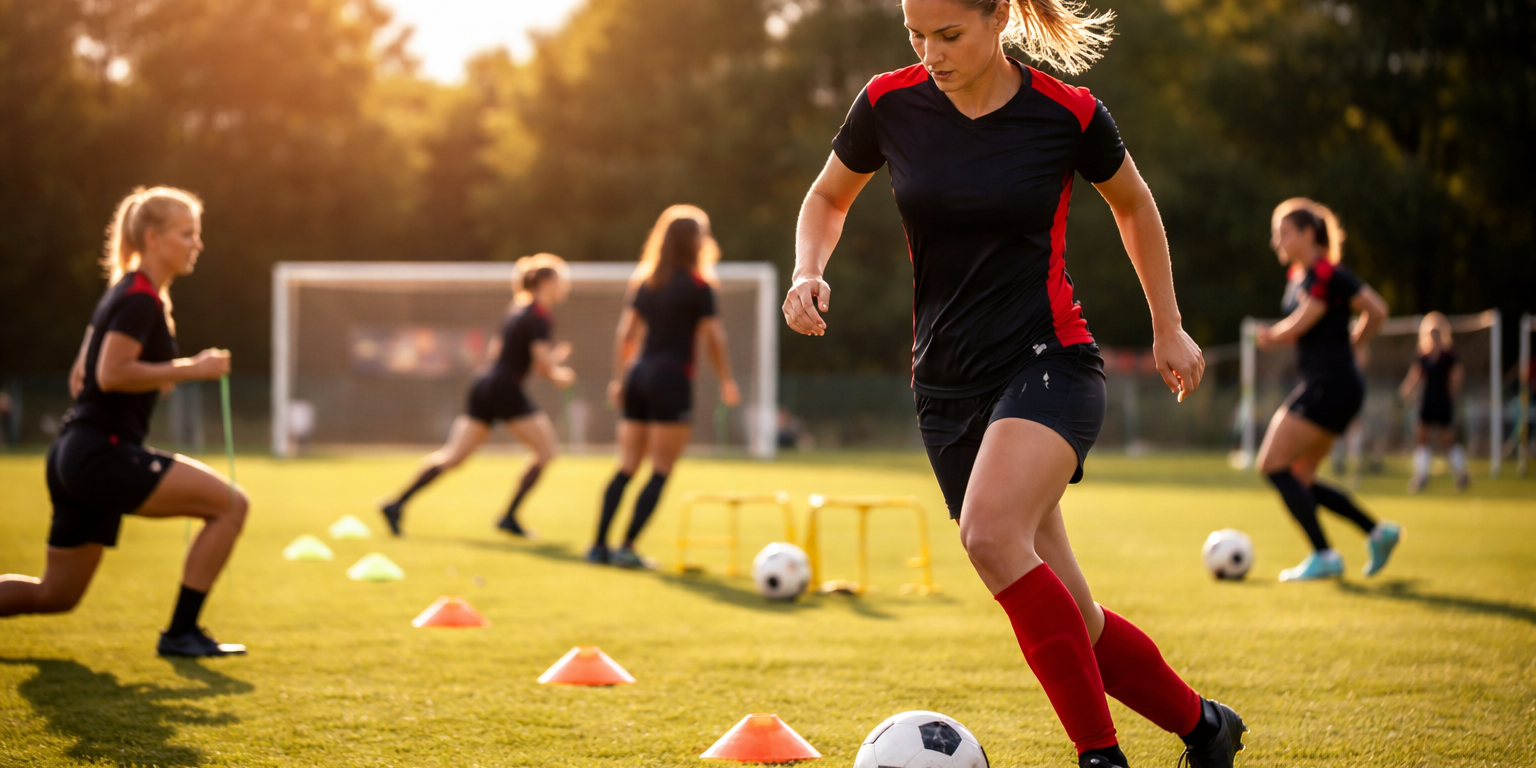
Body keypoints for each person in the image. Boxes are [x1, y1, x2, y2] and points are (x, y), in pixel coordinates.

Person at [782, 2, 1244, 766]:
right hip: (944, 385)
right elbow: (828, 197)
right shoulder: (887, 102)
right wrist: (808, 271)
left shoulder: (1068, 113)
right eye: (916, 36)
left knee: (990, 535)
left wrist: (1168, 324)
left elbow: (1134, 205)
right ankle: (1204, 726)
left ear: (999, 17)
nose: (931, 52)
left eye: (950, 35)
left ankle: (1100, 755)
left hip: (1050, 359)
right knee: (1076, 619)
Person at [0, 186, 247, 657]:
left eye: (197, 234)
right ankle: (180, 633)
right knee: (230, 505)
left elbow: (86, 375)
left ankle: (182, 633)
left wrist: (156, 377)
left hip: (75, 453)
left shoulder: (127, 291)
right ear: (153, 238)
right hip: (100, 453)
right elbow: (110, 374)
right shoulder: (139, 299)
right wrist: (190, 368)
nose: (196, 243)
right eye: (186, 234)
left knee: (55, 595)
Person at [379, 254, 575, 537]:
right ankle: (508, 516)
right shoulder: (540, 317)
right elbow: (542, 365)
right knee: (546, 452)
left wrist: (550, 362)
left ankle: (396, 504)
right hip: (504, 389)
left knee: (453, 456)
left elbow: (503, 355)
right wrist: (560, 375)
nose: (564, 286)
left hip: (484, 384)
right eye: (560, 280)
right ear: (545, 283)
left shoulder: (516, 310)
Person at [1255, 198, 1400, 582]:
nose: (1277, 242)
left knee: (1270, 464)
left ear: (1307, 233)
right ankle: (1377, 532)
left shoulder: (1326, 272)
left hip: (1329, 385)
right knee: (1300, 477)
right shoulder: (1302, 277)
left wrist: (1353, 343)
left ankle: (1325, 555)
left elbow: (1375, 310)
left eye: (1283, 233)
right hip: (1334, 386)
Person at [589, 205, 739, 568]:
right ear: (696, 242)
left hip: (638, 373)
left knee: (626, 465)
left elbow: (625, 334)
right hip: (671, 378)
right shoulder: (699, 285)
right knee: (660, 468)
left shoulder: (646, 281)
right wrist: (726, 380)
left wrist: (620, 379)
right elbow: (714, 337)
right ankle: (626, 547)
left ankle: (598, 546)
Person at [1399, 312, 1468, 492]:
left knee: (1447, 442)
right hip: (1427, 401)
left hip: (1443, 401)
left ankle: (1462, 475)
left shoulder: (1449, 354)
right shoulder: (1423, 355)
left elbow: (1457, 376)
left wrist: (1453, 394)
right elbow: (1416, 376)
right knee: (1422, 439)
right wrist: (1407, 390)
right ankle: (1421, 476)